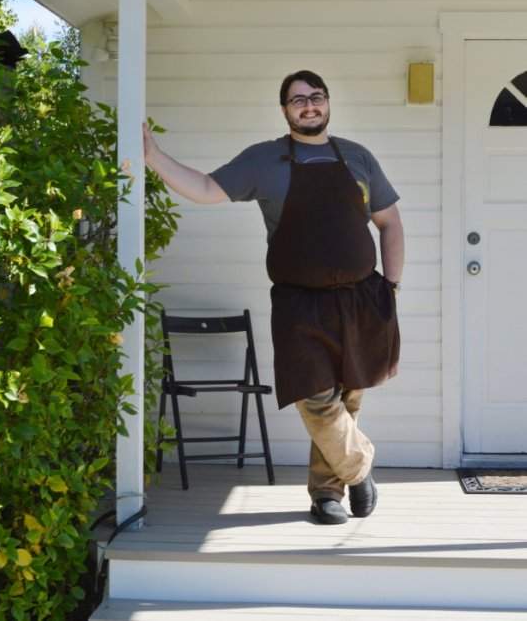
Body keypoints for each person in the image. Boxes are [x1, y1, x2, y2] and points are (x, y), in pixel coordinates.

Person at [143, 70, 404, 525]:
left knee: (349, 398)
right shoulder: (264, 161)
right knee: (315, 395)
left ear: (327, 102)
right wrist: (155, 158)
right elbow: (206, 189)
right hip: (299, 303)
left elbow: (390, 222)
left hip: (362, 298)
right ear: (284, 110)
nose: (308, 105)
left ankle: (327, 495)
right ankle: (360, 468)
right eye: (297, 99)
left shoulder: (358, 158)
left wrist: (391, 286)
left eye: (316, 97)